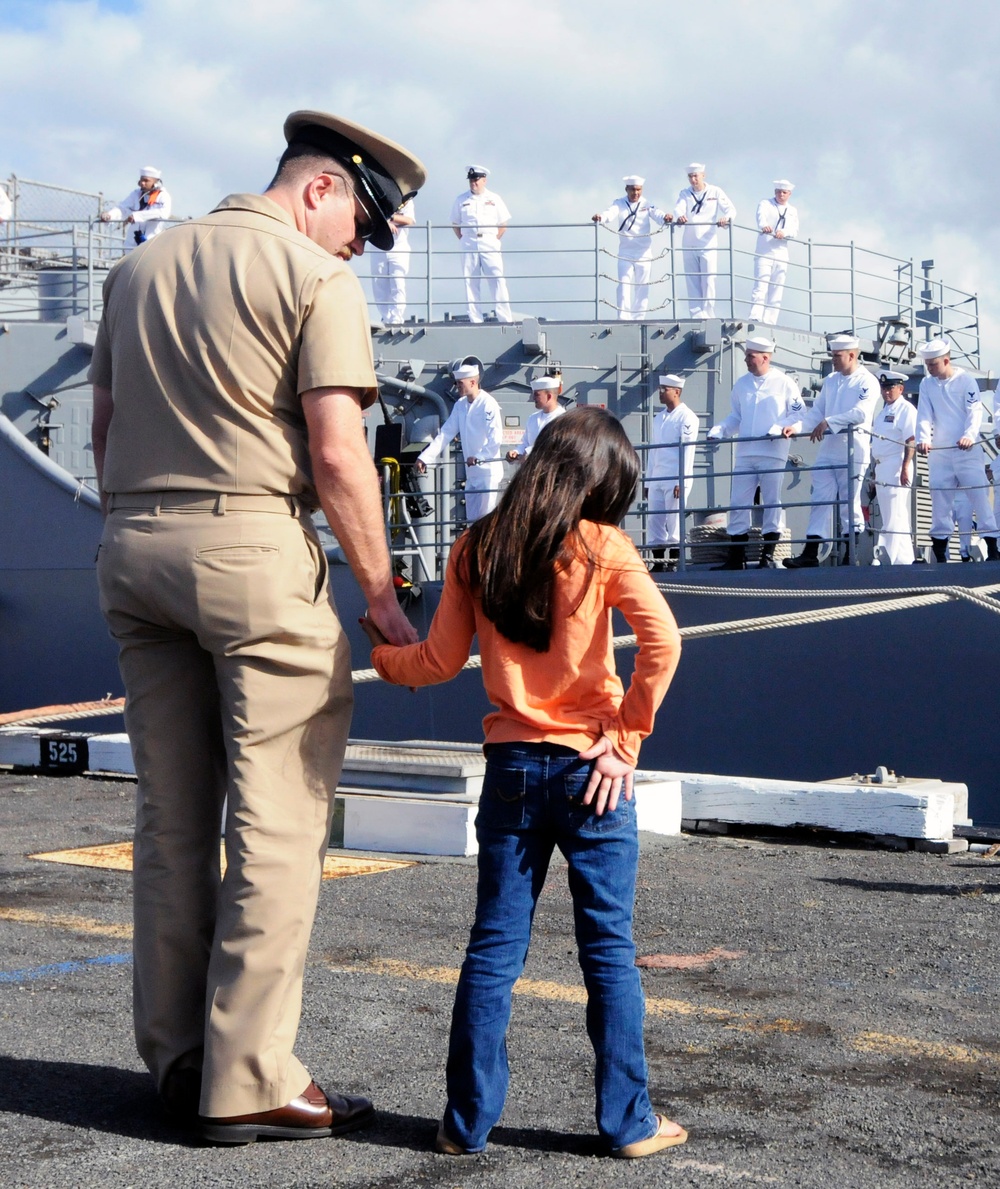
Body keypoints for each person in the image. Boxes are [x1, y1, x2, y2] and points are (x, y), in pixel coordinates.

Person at [90, 108, 425, 1143]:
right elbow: (335, 455)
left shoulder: (138, 271)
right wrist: (379, 596)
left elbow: (102, 431)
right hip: (252, 548)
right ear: (321, 188)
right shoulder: (315, 278)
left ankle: (180, 1054)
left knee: (172, 814)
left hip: (135, 548)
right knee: (279, 819)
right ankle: (248, 1078)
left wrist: (151, 521)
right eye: (361, 224)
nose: (357, 245)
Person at [365, 407, 687, 1160]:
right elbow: (663, 642)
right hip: (592, 774)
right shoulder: (602, 545)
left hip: (511, 770)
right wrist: (626, 741)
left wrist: (383, 656)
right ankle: (628, 1123)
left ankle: (464, 1123)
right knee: (608, 950)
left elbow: (439, 662)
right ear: (597, 476)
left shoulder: (478, 544)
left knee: (494, 948)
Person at [707, 336, 804, 569]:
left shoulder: (784, 383)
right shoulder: (742, 385)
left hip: (773, 452)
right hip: (745, 453)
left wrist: (782, 428)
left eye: (750, 356)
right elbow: (736, 417)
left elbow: (799, 414)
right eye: (747, 355)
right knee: (738, 503)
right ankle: (736, 557)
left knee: (772, 502)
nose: (746, 359)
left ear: (765, 357)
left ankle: (767, 556)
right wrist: (720, 430)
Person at [784, 334, 879, 567]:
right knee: (819, 499)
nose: (834, 360)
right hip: (829, 450)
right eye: (833, 355)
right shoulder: (831, 381)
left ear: (852, 355)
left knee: (850, 501)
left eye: (837, 356)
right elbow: (816, 413)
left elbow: (861, 413)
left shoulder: (866, 381)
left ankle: (850, 554)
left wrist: (829, 422)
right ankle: (811, 552)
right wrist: (795, 428)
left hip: (853, 450)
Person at [915, 338, 1000, 562]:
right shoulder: (927, 384)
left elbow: (974, 412)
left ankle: (992, 549)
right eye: (927, 364)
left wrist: (969, 436)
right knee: (940, 502)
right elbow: (924, 414)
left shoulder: (965, 381)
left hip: (966, 451)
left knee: (980, 498)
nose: (929, 368)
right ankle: (941, 554)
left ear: (946, 360)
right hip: (941, 451)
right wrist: (923, 438)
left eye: (933, 364)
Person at [416, 362, 502, 521]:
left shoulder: (488, 404)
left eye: (460, 383)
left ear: (473, 382)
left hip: (487, 473)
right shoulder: (460, 405)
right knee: (472, 522)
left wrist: (479, 457)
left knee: (485, 522)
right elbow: (445, 434)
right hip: (472, 473)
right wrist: (425, 457)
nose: (457, 387)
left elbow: (495, 439)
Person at [591, 175, 671, 320]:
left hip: (644, 252)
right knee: (623, 284)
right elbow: (610, 213)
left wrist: (665, 217)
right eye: (633, 190)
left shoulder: (646, 204)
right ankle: (623, 317)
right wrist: (601, 218)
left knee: (642, 286)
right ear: (626, 189)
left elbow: (657, 214)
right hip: (625, 252)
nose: (636, 193)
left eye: (639, 190)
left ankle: (639, 318)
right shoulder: (619, 203)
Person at [646, 374, 699, 572]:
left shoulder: (687, 417)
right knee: (655, 519)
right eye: (661, 389)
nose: (661, 393)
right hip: (658, 475)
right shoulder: (659, 418)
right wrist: (648, 482)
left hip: (675, 476)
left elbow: (687, 450)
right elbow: (653, 450)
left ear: (677, 391)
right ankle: (659, 562)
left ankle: (675, 560)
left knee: (674, 519)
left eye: (665, 389)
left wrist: (682, 479)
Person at [673, 163, 736, 319]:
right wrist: (680, 216)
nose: (693, 180)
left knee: (708, 279)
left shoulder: (715, 191)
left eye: (696, 176)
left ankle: (708, 313)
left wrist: (726, 219)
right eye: (690, 176)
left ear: (703, 175)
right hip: (689, 241)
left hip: (707, 242)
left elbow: (731, 209)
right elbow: (678, 208)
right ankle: (695, 314)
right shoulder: (685, 193)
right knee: (692, 279)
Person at [451, 166, 512, 323]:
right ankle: (475, 318)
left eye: (476, 180)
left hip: (489, 241)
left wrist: (492, 238)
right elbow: (456, 224)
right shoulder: (461, 199)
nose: (473, 183)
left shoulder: (495, 199)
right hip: (469, 242)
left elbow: (503, 224)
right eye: (471, 180)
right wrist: (466, 239)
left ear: (484, 180)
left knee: (497, 278)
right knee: (470, 281)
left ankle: (504, 317)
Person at [869, 371, 916, 565]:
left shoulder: (906, 409)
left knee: (894, 513)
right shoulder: (883, 412)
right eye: (884, 388)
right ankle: (904, 559)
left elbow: (911, 440)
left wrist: (905, 467)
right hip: (882, 466)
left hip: (896, 464)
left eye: (890, 388)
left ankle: (889, 557)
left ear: (900, 389)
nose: (886, 392)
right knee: (893, 513)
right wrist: (873, 473)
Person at [749, 180, 798, 325]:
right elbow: (761, 217)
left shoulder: (792, 210)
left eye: (784, 192)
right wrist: (765, 226)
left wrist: (785, 233)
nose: (781, 195)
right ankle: (755, 316)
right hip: (765, 251)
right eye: (778, 192)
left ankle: (770, 320)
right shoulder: (765, 204)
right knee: (761, 285)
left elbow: (794, 230)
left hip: (781, 252)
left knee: (777, 288)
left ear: (789, 194)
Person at [369, 196, 415, 324]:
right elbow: (372, 214)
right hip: (379, 246)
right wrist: (386, 223)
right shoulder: (379, 195)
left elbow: (410, 220)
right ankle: (385, 316)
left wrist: (391, 218)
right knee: (379, 283)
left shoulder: (406, 200)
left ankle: (396, 318)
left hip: (399, 247)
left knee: (397, 282)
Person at [100, 166, 172, 247]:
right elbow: (123, 208)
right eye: (141, 180)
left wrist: (137, 216)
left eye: (146, 181)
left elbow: (164, 213)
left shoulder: (163, 196)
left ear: (156, 183)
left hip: (151, 241)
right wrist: (110, 215)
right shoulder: (136, 194)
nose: (142, 183)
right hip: (133, 242)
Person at [506, 375, 565, 461]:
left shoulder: (563, 419)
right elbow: (525, 443)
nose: (533, 398)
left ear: (549, 396)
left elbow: (553, 447)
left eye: (537, 395)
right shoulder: (533, 418)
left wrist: (529, 452)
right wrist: (517, 452)